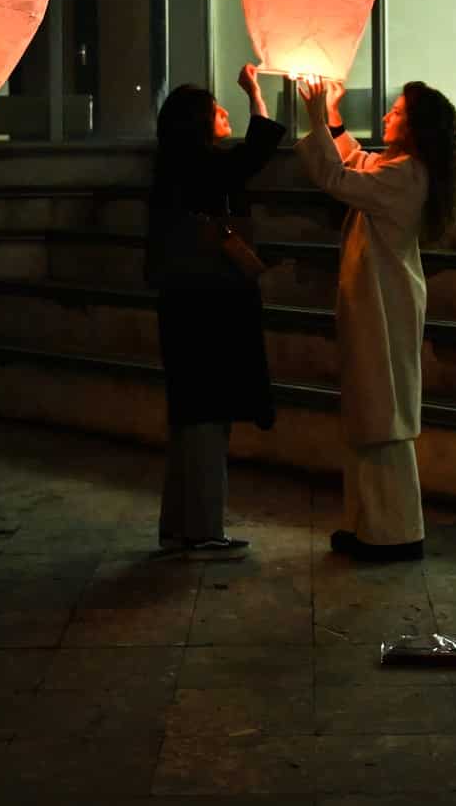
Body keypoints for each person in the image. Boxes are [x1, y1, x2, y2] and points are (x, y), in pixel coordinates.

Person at [295, 77, 456, 562]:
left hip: (385, 304)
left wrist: (314, 114)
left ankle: (396, 531)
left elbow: (338, 177)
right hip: (378, 302)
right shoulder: (398, 168)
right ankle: (369, 524)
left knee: (383, 413)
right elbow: (355, 162)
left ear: (413, 128)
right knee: (370, 410)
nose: (387, 116)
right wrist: (331, 117)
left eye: (395, 112)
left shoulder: (406, 174)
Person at [145, 65, 286, 552]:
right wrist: (257, 97)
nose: (222, 112)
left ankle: (179, 527)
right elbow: (254, 156)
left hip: (184, 308)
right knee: (207, 417)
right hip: (208, 311)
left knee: (190, 418)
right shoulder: (199, 166)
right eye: (214, 110)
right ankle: (202, 529)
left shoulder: (175, 167)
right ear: (197, 123)